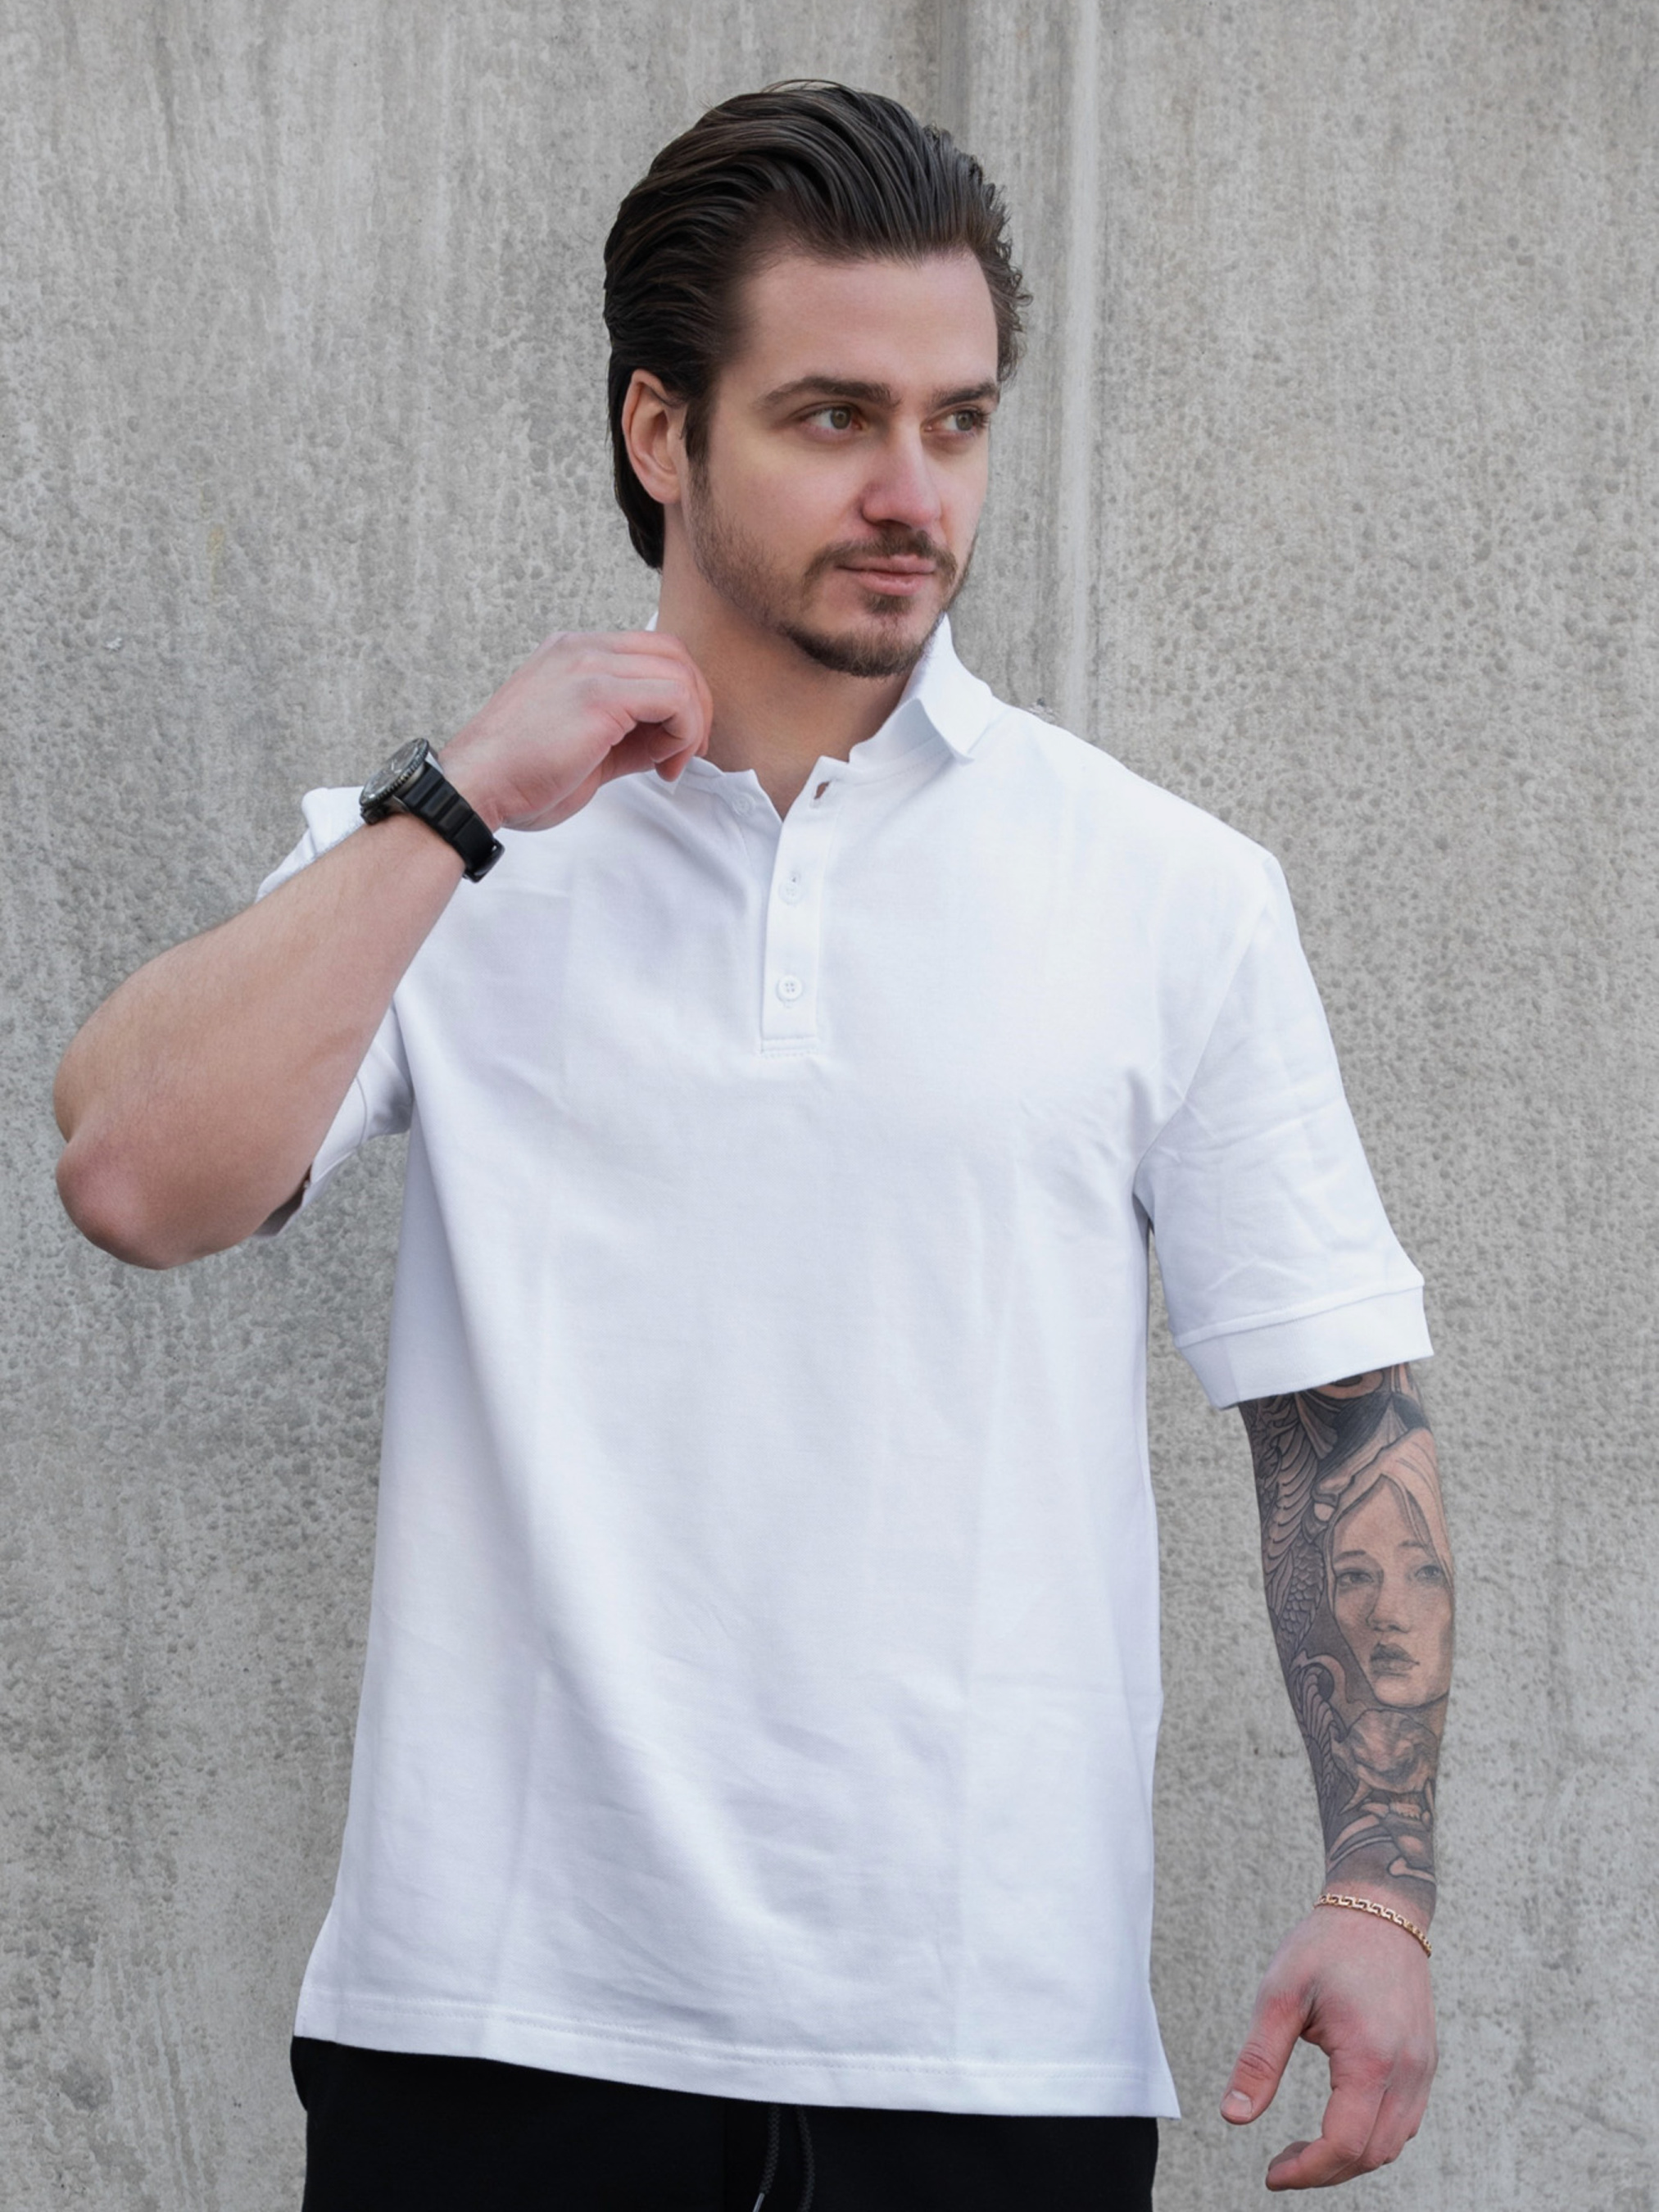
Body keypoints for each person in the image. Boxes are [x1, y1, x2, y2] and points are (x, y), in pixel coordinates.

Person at [52, 81, 1453, 2211]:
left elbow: (1335, 1405)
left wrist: (1383, 1890)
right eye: (832, 418)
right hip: (497, 2034)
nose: (912, 491)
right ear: (659, 431)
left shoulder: (1166, 891)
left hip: (988, 2045)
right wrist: (458, 804)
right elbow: (132, 1179)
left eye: (958, 422)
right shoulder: (446, 857)